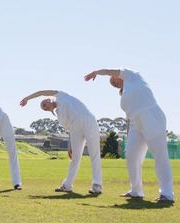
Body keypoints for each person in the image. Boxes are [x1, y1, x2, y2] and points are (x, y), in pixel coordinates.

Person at [85, 68, 174, 202]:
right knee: (131, 156)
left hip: (151, 116)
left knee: (160, 155)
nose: (113, 83)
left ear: (119, 76)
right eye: (112, 85)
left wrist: (96, 72)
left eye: (113, 80)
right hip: (135, 124)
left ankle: (167, 194)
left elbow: (110, 70)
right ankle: (136, 190)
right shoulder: (125, 95)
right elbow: (128, 118)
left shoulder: (133, 77)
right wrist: (128, 132)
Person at [20, 90, 102, 194]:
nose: (45, 107)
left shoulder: (61, 95)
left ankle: (97, 185)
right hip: (75, 128)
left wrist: (27, 98)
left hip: (88, 121)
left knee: (94, 154)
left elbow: (41, 92)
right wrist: (69, 146)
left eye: (44, 104)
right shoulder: (59, 114)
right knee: (75, 158)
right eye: (44, 108)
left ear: (49, 98)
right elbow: (70, 130)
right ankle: (67, 185)